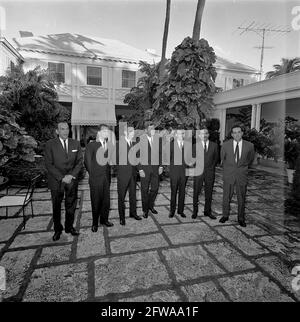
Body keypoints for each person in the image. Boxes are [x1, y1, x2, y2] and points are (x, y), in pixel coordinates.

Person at [45, 121, 83, 241]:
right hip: (56, 181)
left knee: (71, 205)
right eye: (62, 129)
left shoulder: (75, 143)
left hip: (71, 180)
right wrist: (62, 177)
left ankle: (69, 227)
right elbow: (49, 164)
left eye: (67, 129)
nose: (65, 131)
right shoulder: (50, 144)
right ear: (57, 131)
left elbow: (79, 162)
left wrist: (71, 175)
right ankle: (57, 229)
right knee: (56, 206)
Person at [219, 124, 255, 227]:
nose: (237, 134)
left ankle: (241, 218)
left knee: (241, 198)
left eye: (239, 132)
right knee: (226, 197)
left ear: (242, 133)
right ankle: (225, 215)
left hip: (241, 175)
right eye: (234, 132)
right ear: (231, 134)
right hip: (229, 175)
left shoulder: (250, 145)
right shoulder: (225, 145)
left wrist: (242, 167)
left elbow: (250, 159)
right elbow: (223, 159)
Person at [84, 124, 114, 232]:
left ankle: (104, 220)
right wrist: (93, 176)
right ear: (99, 133)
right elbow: (87, 162)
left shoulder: (109, 145)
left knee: (106, 201)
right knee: (96, 201)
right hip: (95, 179)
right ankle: (95, 223)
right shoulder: (91, 145)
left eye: (108, 131)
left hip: (106, 178)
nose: (106, 133)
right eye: (104, 131)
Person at [116, 124, 141, 225]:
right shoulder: (119, 144)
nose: (132, 133)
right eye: (130, 132)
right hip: (123, 175)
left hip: (133, 174)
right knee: (121, 197)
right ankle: (122, 217)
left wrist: (139, 170)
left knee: (133, 195)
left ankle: (133, 213)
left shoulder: (135, 144)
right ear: (125, 133)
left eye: (133, 132)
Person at [137, 122, 163, 218]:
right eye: (150, 129)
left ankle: (150, 206)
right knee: (144, 190)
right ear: (145, 130)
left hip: (156, 169)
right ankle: (145, 210)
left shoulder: (158, 139)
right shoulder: (140, 140)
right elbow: (137, 155)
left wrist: (161, 166)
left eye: (154, 129)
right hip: (145, 169)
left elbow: (161, 154)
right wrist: (140, 169)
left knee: (155, 188)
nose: (153, 131)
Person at [192, 126, 219, 220]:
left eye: (206, 133)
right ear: (199, 135)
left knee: (209, 192)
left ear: (209, 135)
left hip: (210, 172)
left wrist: (210, 167)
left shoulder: (214, 145)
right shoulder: (195, 146)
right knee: (196, 192)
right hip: (198, 172)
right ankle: (195, 211)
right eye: (202, 133)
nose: (204, 135)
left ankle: (207, 211)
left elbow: (216, 159)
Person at [167, 126, 189, 218]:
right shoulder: (171, 145)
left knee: (182, 192)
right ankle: (172, 211)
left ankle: (181, 211)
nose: (182, 135)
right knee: (173, 192)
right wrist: (170, 171)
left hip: (184, 173)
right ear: (176, 134)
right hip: (174, 173)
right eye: (180, 133)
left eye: (183, 133)